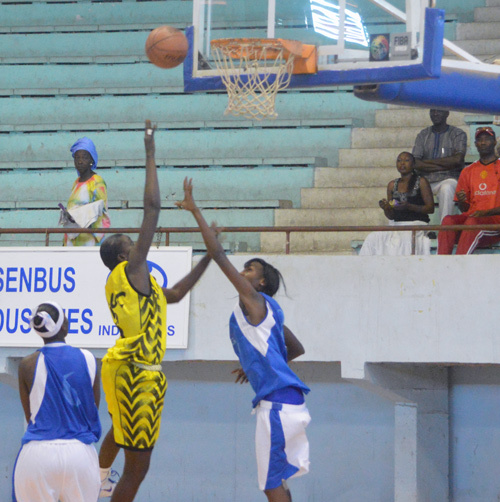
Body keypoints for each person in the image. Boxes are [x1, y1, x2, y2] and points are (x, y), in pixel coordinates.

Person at [97, 121, 212, 502]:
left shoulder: (130, 284)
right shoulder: (130, 270)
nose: (138, 246)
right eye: (132, 244)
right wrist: (149, 150)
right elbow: (152, 209)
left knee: (121, 436)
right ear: (121, 255)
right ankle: (99, 479)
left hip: (125, 368)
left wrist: (209, 257)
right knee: (137, 469)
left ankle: (97, 475)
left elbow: (176, 294)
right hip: (136, 374)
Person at [177, 177, 310, 502]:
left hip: (278, 404)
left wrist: (195, 210)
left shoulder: (254, 300)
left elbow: (217, 253)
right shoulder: (270, 312)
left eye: (250, 269)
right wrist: (254, 365)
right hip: (287, 402)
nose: (244, 271)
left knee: (270, 484)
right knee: (277, 481)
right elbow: (296, 348)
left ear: (261, 283)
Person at [13, 301, 101, 502]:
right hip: (80, 453)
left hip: (38, 455)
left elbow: (30, 416)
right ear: (63, 326)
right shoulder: (88, 359)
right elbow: (93, 409)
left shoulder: (27, 365)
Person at [438, 126, 500, 255]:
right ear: (475, 144)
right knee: (448, 221)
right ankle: (442, 264)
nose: (483, 142)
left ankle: (459, 266)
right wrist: (461, 201)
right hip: (472, 222)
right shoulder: (468, 171)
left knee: (472, 222)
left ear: (494, 142)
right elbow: (465, 209)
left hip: (495, 222)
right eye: (480, 140)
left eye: (487, 139)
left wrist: (485, 213)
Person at [359, 151, 435, 255]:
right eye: (399, 160)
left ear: (413, 164)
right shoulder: (391, 185)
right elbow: (391, 216)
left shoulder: (421, 182)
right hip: (396, 225)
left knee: (405, 240)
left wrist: (409, 206)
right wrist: (386, 208)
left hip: (416, 225)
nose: (402, 163)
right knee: (373, 237)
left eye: (406, 160)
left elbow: (430, 208)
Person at [412, 109, 467, 222]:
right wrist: (446, 164)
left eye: (439, 111)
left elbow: (457, 160)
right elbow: (415, 162)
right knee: (404, 190)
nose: (435, 114)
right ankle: (419, 231)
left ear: (447, 113)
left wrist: (427, 162)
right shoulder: (423, 135)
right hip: (425, 181)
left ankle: (445, 229)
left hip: (448, 178)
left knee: (447, 188)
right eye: (432, 111)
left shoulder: (458, 133)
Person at [61, 137, 111, 246]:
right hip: (72, 239)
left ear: (91, 160)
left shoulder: (97, 182)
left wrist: (78, 217)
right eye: (77, 158)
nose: (80, 161)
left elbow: (101, 212)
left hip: (89, 241)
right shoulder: (76, 182)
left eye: (84, 157)